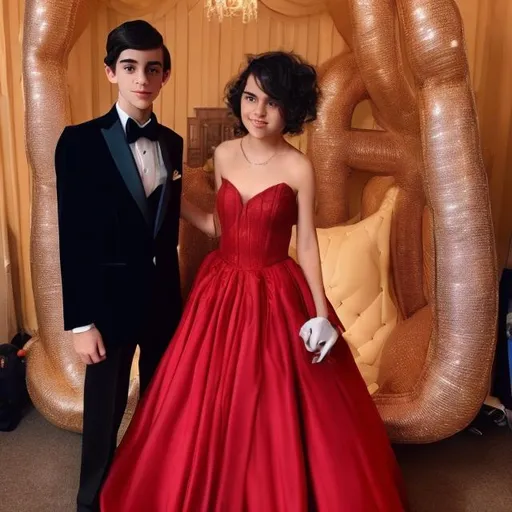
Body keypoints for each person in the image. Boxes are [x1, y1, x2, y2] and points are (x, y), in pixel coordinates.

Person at [100, 51, 407, 511]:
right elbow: (219, 228)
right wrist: (165, 195)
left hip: (275, 288)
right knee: (197, 399)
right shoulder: (223, 154)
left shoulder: (299, 168)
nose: (258, 112)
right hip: (219, 288)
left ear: (294, 108)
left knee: (279, 401)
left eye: (272, 101)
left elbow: (305, 245)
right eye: (250, 97)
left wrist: (322, 315)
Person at [55, 20, 192, 512]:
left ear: (164, 76)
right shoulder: (78, 142)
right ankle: (90, 500)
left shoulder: (173, 143)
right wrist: (80, 320)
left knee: (160, 405)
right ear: (111, 72)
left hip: (160, 299)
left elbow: (166, 217)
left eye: (152, 69)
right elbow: (72, 236)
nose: (141, 78)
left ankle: (148, 490)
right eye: (130, 67)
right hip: (106, 304)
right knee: (103, 412)